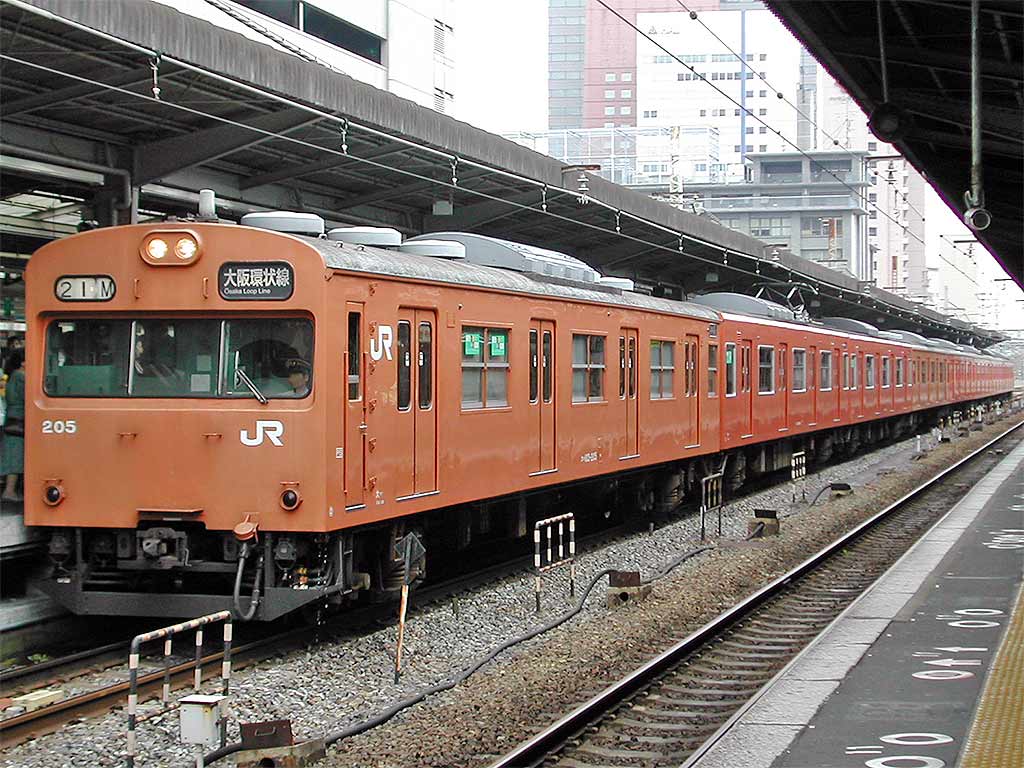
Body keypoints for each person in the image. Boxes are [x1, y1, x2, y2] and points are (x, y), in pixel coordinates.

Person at [2, 348, 25, 503]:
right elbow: (27, 397)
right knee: (16, 455)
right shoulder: (21, 377)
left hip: (11, 418)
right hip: (19, 420)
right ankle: (9, 491)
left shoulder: (12, 376)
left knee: (12, 453)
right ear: (23, 362)